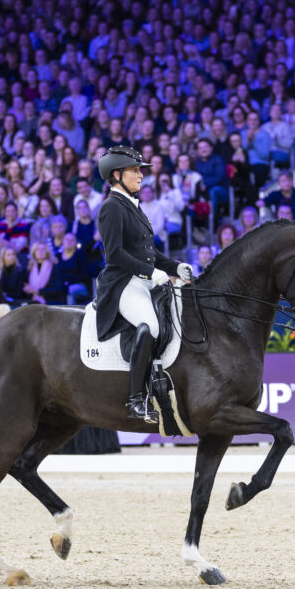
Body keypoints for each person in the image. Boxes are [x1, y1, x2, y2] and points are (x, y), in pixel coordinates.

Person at [94, 146, 193, 422]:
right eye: (135, 170)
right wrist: (151, 273)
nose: (141, 175)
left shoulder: (134, 206)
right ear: (117, 175)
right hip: (123, 283)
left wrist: (174, 267)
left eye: (140, 171)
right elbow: (115, 254)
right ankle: (135, 399)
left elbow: (149, 252)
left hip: (143, 280)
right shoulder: (112, 207)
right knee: (151, 325)